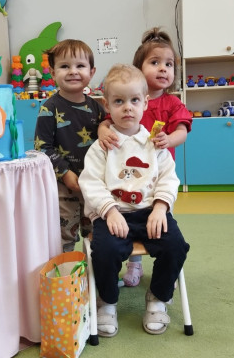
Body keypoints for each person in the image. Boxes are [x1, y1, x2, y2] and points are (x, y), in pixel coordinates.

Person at [78, 64, 190, 336]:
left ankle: (158, 297)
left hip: (150, 212)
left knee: (176, 246)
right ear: (107, 105)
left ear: (145, 103)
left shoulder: (156, 144)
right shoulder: (101, 147)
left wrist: (160, 208)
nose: (127, 107)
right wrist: (110, 211)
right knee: (104, 251)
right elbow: (90, 182)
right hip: (113, 214)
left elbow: (169, 178)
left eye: (134, 100)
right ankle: (107, 302)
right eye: (119, 101)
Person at [98, 27, 192, 287]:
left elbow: (182, 131)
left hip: (158, 174)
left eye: (169, 64)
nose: (163, 69)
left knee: (160, 220)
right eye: (155, 62)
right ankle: (135, 264)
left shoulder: (172, 103)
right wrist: (102, 131)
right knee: (131, 215)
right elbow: (107, 122)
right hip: (128, 174)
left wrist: (169, 140)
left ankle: (168, 269)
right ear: (139, 69)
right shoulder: (127, 99)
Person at [34, 39, 106, 252]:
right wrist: (65, 173)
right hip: (63, 187)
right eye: (65, 66)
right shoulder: (49, 109)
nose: (73, 71)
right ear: (52, 72)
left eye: (80, 66)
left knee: (97, 232)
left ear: (91, 72)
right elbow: (42, 147)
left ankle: (95, 269)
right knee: (64, 234)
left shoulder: (98, 109)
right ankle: (66, 270)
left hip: (95, 184)